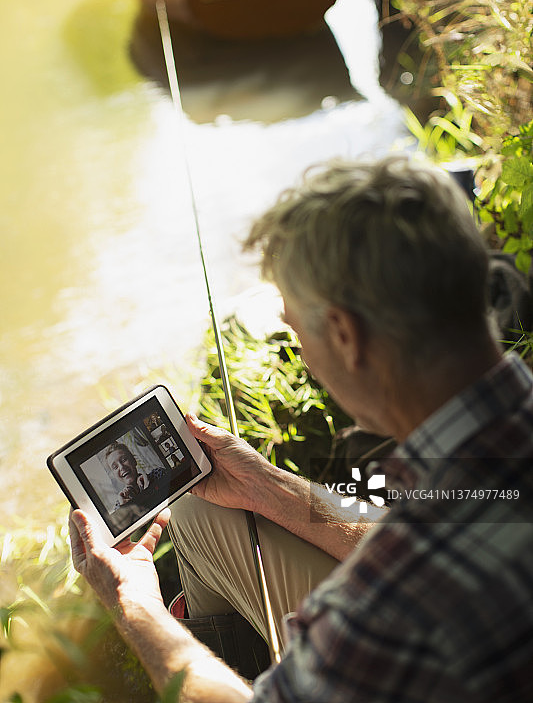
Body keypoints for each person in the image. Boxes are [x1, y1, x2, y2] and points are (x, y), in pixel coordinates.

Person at [69, 155, 533, 702]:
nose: (302, 356)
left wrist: (133, 602)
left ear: (344, 335)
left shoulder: (392, 600)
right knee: (202, 503)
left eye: (295, 329)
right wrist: (276, 491)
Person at [105, 441, 169, 509]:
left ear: (134, 460)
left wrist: (149, 489)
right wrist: (126, 507)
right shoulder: (119, 506)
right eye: (115, 467)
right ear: (114, 475)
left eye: (124, 460)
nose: (121, 467)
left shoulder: (158, 474)